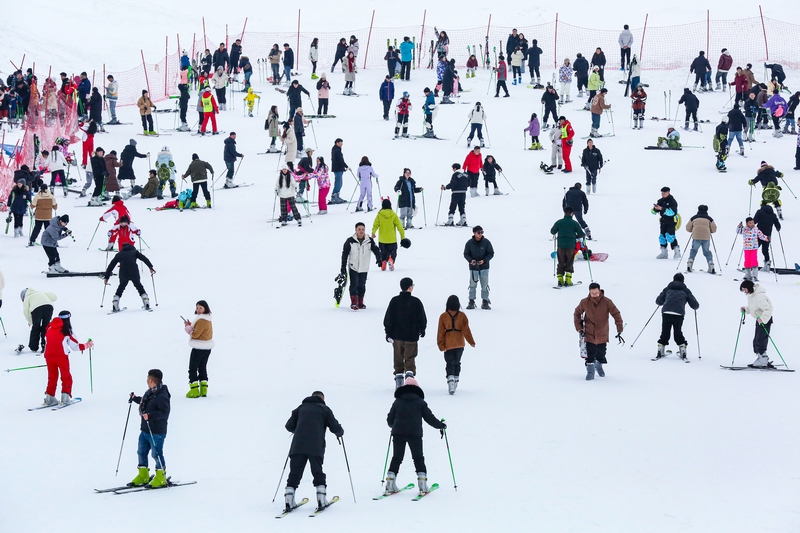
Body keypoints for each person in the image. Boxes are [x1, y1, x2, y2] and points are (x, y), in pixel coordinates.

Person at [384, 375, 446, 497]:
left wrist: (394, 426)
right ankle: (422, 485)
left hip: (398, 433)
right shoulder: (420, 402)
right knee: (418, 458)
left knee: (397, 457)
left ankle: (390, 483)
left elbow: (390, 419)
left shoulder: (397, 401)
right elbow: (430, 418)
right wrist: (441, 425)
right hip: (415, 434)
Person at [284, 391, 344, 512]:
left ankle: (289, 500)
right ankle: (321, 498)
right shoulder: (324, 409)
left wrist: (299, 429)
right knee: (317, 471)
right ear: (322, 398)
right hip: (315, 446)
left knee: (294, 472)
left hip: (298, 445)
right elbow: (334, 427)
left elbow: (289, 426)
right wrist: (340, 433)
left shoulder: (299, 409)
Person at [128, 369, 171, 488]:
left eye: (148, 379)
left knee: (156, 454)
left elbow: (164, 412)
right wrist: (135, 398)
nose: (147, 381)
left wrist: (150, 416)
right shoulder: (152, 392)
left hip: (156, 431)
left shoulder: (162, 395)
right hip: (145, 429)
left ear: (151, 380)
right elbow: (146, 402)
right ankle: (143, 475)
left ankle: (161, 476)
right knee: (141, 452)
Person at [42, 310, 93, 406]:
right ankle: (65, 398)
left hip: (48, 355)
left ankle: (49, 397)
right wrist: (87, 345)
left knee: (52, 376)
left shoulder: (49, 328)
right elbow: (75, 346)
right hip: (61, 356)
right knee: (66, 376)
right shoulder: (67, 330)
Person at [573, 283, 624, 380]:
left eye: (596, 293)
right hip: (589, 332)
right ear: (589, 292)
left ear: (600, 291)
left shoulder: (607, 302)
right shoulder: (584, 302)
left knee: (601, 352)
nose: (594, 295)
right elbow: (577, 313)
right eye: (592, 293)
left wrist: (619, 328)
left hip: (602, 332)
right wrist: (579, 327)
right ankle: (590, 371)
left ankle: (599, 365)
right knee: (590, 353)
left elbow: (616, 314)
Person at [384, 278, 427, 388]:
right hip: (411, 336)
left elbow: (389, 318)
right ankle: (409, 381)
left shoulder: (394, 301)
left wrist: (388, 332)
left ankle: (399, 381)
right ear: (410, 287)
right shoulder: (416, 302)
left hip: (396, 336)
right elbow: (421, 317)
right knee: (410, 358)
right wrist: (422, 329)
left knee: (398, 358)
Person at [654, 273, 700, 361]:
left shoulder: (667, 289)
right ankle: (682, 350)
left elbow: (658, 301)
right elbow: (694, 304)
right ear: (683, 281)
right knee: (677, 332)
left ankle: (660, 349)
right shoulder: (686, 290)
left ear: (673, 279)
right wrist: (695, 307)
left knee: (665, 331)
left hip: (666, 312)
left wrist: (662, 302)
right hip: (678, 314)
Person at [436, 295, 475, 394]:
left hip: (448, 344)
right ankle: (456, 379)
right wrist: (471, 341)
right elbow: (466, 330)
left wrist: (441, 345)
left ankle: (451, 381)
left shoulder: (443, 316)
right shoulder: (462, 316)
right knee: (457, 362)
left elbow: (440, 332)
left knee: (449, 363)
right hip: (460, 343)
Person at [341, 222, 381, 310]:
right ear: (355, 230)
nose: (361, 231)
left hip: (364, 267)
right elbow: (345, 254)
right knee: (354, 284)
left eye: (363, 229)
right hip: (353, 266)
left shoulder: (369, 240)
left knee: (362, 285)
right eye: (359, 229)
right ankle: (354, 302)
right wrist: (343, 267)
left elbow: (376, 250)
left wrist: (379, 259)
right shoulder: (350, 241)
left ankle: (361, 302)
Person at [104, 241, 153, 312]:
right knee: (139, 286)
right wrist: (150, 267)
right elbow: (144, 258)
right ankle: (146, 302)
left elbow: (111, 265)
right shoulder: (134, 252)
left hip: (123, 272)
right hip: (134, 271)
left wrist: (106, 277)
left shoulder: (120, 254)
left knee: (121, 287)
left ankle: (115, 303)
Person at [182, 300, 214, 398]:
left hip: (198, 347)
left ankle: (194, 390)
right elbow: (201, 330)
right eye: (197, 307)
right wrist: (192, 325)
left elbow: (196, 334)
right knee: (202, 368)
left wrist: (188, 328)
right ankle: (204, 389)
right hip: (207, 348)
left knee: (192, 369)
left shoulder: (201, 320)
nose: (198, 310)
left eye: (200, 308)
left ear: (205, 308)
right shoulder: (207, 319)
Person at [739, 280, 774, 368]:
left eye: (745, 289)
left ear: (749, 287)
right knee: (756, 340)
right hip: (759, 320)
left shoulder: (759, 296)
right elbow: (754, 308)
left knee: (760, 340)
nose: (744, 292)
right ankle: (761, 358)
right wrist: (746, 309)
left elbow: (768, 309)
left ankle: (763, 360)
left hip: (764, 320)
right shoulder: (752, 296)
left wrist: (763, 318)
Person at [551, 207, 585, 287]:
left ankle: (560, 280)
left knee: (561, 262)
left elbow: (552, 231)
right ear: (572, 213)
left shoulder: (559, 222)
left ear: (564, 212)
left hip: (561, 246)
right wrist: (576, 235)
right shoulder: (574, 223)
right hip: (570, 246)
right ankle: (568, 280)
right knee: (569, 262)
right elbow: (581, 234)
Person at [371, 198, 407, 270]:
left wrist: (373, 233)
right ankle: (391, 259)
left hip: (382, 240)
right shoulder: (393, 215)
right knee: (392, 252)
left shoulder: (379, 214)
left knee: (383, 253)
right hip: (392, 239)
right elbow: (400, 227)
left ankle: (384, 261)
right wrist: (403, 237)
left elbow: (375, 224)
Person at [463, 225, 494, 310]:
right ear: (474, 233)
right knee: (472, 284)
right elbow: (466, 254)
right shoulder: (469, 243)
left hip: (484, 267)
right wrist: (471, 260)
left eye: (482, 232)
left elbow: (491, 253)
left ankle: (485, 301)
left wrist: (484, 260)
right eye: (478, 232)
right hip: (473, 267)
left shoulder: (486, 242)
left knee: (484, 285)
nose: (480, 234)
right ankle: (471, 301)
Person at [20, 288, 57, 354]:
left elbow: (26, 312)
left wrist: (31, 322)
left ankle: (33, 347)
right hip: (49, 307)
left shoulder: (27, 297)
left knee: (35, 327)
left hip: (37, 309)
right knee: (46, 327)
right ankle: (45, 345)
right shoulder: (41, 292)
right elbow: (54, 298)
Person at [684, 205, 717, 273]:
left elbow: (688, 228)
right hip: (706, 237)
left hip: (696, 236)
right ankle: (711, 266)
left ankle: (689, 264)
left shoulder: (694, 218)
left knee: (694, 250)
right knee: (707, 252)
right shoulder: (709, 219)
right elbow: (714, 229)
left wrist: (692, 230)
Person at [653, 186, 680, 259]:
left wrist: (662, 208)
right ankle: (664, 253)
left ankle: (677, 252)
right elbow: (656, 211)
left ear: (668, 192)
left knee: (670, 236)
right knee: (662, 236)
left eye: (664, 193)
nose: (663, 194)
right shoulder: (660, 201)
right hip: (663, 220)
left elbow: (673, 212)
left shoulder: (672, 201)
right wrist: (655, 209)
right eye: (662, 193)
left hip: (671, 221)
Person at [754, 201, 781, 272]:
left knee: (754, 249)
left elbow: (754, 221)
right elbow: (778, 225)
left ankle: (751, 265)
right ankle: (767, 265)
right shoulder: (773, 215)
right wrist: (778, 228)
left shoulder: (759, 212)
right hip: (767, 235)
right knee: (765, 250)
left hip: (758, 234)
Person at [329, 138, 348, 204]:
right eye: (340, 143)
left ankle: (337, 195)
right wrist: (346, 166)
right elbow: (340, 160)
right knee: (338, 182)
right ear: (337, 143)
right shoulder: (336, 150)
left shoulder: (336, 149)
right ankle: (334, 196)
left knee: (339, 183)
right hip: (338, 169)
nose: (341, 144)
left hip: (338, 168)